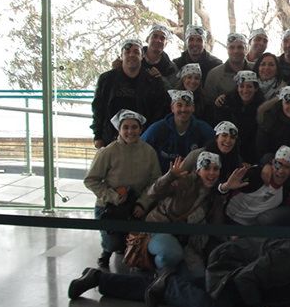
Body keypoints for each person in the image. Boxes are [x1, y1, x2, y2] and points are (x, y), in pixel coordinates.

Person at [69, 238, 290, 307]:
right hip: (232, 266)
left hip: (247, 278)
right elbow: (245, 278)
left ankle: (99, 278)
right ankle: (168, 284)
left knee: (186, 289)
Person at [144, 151, 248, 273]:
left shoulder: (214, 195)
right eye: (206, 168)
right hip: (159, 229)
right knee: (172, 253)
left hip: (187, 242)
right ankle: (159, 277)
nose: (211, 173)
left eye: (216, 169)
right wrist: (169, 176)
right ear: (198, 171)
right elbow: (152, 193)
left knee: (198, 275)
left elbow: (216, 225)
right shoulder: (184, 182)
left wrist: (230, 237)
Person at [84, 109, 161, 270]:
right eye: (125, 127)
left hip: (137, 206)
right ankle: (107, 251)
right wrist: (113, 196)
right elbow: (91, 180)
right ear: (119, 129)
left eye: (134, 127)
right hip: (110, 206)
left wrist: (143, 203)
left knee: (138, 243)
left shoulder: (149, 152)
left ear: (141, 129)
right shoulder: (108, 152)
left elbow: (155, 182)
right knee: (114, 244)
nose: (130, 131)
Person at [91, 38, 170, 148]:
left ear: (142, 56)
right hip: (110, 140)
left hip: (143, 141)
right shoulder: (106, 80)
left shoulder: (153, 82)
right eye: (127, 52)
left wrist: (150, 137)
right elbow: (98, 109)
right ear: (121, 56)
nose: (131, 55)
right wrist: (97, 136)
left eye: (136, 52)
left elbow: (159, 113)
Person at [141, 89, 214, 173]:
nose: (183, 109)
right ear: (172, 108)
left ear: (193, 108)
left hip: (191, 178)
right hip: (161, 177)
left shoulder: (203, 129)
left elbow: (216, 149)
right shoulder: (157, 129)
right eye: (179, 105)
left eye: (187, 105)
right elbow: (141, 147)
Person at [225, 146, 290, 226]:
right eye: (278, 164)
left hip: (253, 227)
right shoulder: (255, 174)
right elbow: (228, 186)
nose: (281, 171)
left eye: (287, 167)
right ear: (272, 163)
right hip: (228, 217)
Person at [214, 70, 265, 164]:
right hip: (227, 149)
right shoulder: (225, 103)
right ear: (237, 88)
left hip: (251, 153)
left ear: (256, 88)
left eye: (249, 86)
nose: (245, 90)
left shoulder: (262, 108)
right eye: (241, 86)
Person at [180, 120, 244, 190]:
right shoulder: (196, 154)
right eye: (224, 135)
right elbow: (179, 176)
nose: (228, 140)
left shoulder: (236, 159)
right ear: (216, 138)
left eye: (232, 137)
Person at [204, 32, 251, 98]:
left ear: (246, 49)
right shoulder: (214, 75)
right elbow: (208, 102)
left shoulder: (256, 69)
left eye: (240, 47)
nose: (236, 51)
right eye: (231, 47)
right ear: (227, 50)